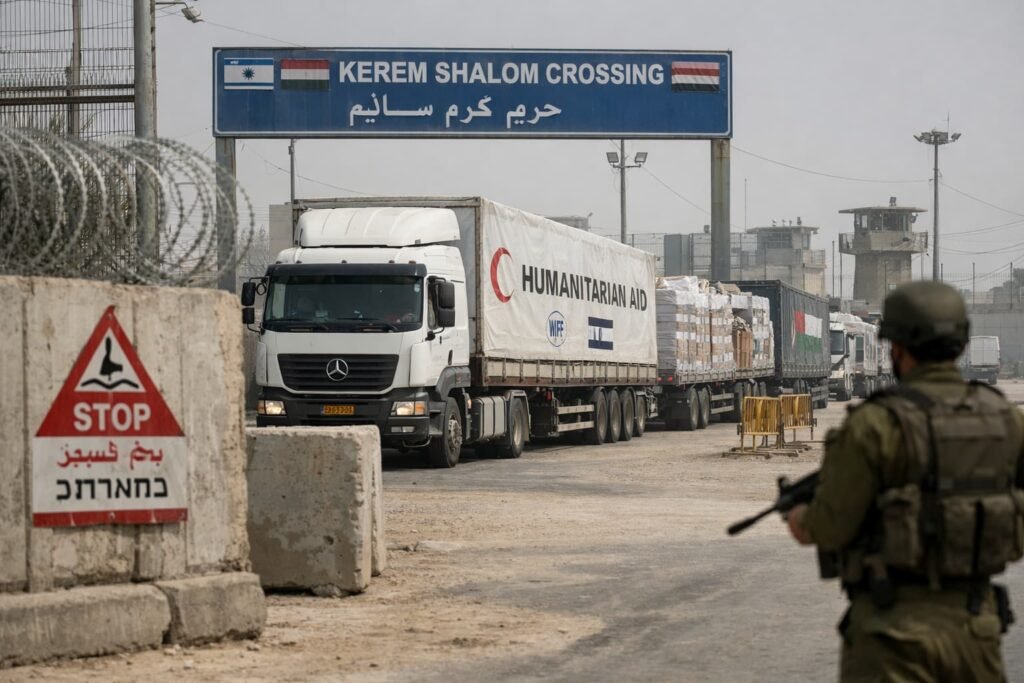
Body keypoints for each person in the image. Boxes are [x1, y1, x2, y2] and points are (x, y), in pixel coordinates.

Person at [786, 281, 1024, 682]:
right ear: (961, 345)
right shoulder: (1007, 421)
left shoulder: (874, 425)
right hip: (976, 630)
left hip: (892, 635)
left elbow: (831, 526)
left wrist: (800, 519)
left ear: (897, 348)